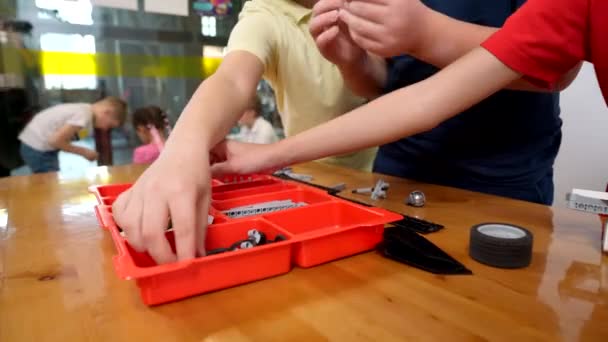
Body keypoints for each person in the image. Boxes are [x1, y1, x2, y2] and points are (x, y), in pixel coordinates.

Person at [211, 0, 606, 187]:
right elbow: (419, 99)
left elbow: (551, 67)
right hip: (399, 171)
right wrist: (271, 154)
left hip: (504, 176)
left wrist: (427, 35)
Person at [112, 0, 377, 265]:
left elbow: (395, 93)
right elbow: (232, 79)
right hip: (316, 173)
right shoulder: (264, 13)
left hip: (380, 169)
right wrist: (184, 145)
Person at [307, 0, 585, 206]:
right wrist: (354, 63)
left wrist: (424, 34)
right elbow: (386, 84)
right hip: (397, 174)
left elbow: (556, 63)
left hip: (501, 183)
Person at [19, 96, 127, 174]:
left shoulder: (85, 110)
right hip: (37, 147)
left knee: (50, 179)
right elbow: (55, 141)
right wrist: (84, 152)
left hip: (38, 145)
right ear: (106, 112)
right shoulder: (84, 115)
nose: (105, 129)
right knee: (50, 182)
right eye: (109, 125)